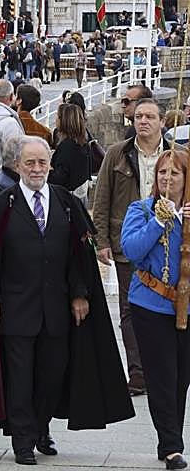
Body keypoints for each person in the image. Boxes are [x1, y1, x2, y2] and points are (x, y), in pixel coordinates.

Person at [0, 136, 133, 465]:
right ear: (17, 166)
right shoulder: (1, 205)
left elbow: (80, 256)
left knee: (52, 375)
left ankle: (40, 426)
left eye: (42, 162)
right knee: (20, 378)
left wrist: (80, 294)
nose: (36, 169)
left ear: (50, 164)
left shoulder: (66, 202)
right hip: (15, 311)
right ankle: (23, 439)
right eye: (30, 163)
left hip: (58, 310)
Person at [94, 95, 172, 397]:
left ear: (162, 122)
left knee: (169, 304)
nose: (143, 121)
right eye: (139, 116)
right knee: (130, 309)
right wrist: (101, 241)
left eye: (150, 117)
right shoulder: (117, 153)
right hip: (129, 241)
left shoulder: (178, 154)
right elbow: (101, 199)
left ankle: (164, 367)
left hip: (170, 242)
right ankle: (138, 373)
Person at [120, 150, 190, 470]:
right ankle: (174, 446)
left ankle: (168, 440)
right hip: (150, 305)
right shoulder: (142, 210)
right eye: (162, 172)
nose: (167, 178)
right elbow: (132, 249)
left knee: (181, 378)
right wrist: (161, 220)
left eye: (175, 173)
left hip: (186, 308)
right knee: (161, 376)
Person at [87, 82, 153, 151]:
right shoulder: (135, 130)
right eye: (122, 101)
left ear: (142, 102)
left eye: (127, 101)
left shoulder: (143, 131)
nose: (123, 106)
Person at [50, 102, 92, 202]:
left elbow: (59, 178)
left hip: (68, 198)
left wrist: (49, 168)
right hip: (80, 194)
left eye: (58, 117)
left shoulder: (67, 146)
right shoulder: (82, 143)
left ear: (64, 120)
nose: (55, 120)